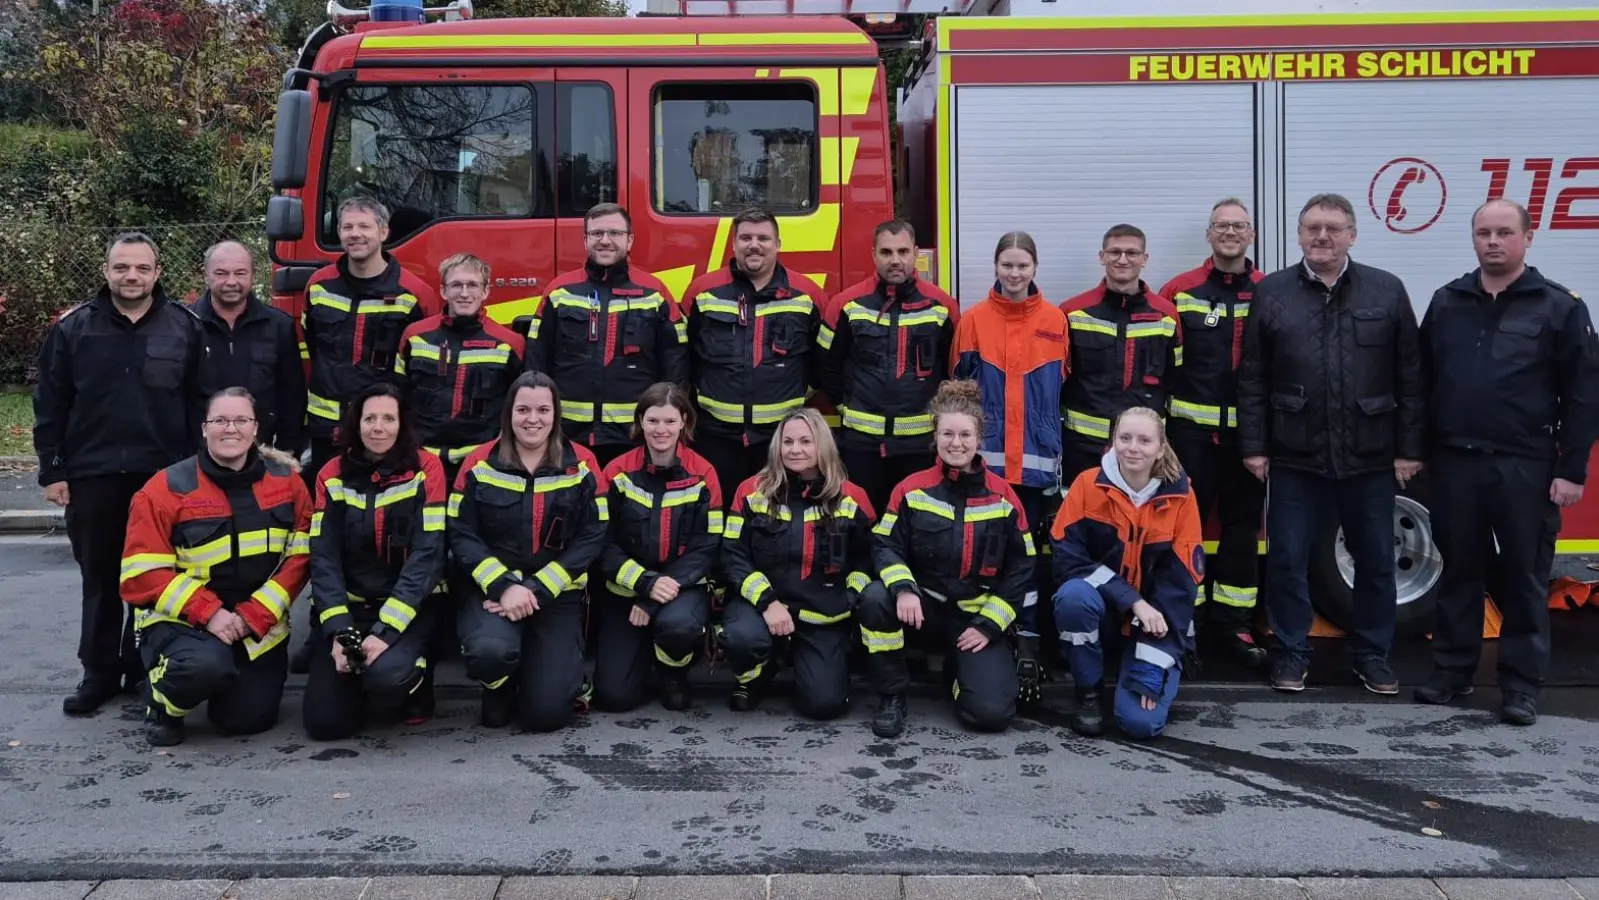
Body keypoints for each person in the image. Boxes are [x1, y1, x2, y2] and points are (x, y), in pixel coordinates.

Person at [1416, 198, 1599, 726]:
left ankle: (1520, 687)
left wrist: (1572, 470)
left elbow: (1585, 396)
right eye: (1483, 233)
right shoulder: (1448, 301)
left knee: (1525, 575)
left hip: (1527, 465)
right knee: (1459, 573)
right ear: (1472, 238)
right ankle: (1452, 673)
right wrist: (1417, 451)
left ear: (1527, 237)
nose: (1492, 242)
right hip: (1454, 463)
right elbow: (1423, 382)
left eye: (1503, 232)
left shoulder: (1560, 307)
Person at [1238, 192, 1425, 696]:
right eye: (1313, 228)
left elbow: (1410, 374)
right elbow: (1253, 376)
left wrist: (1408, 448)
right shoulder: (1273, 293)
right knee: (1287, 559)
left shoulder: (1386, 291)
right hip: (1294, 454)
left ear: (1352, 235)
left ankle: (1371, 655)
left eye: (1333, 228)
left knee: (1376, 560)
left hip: (1369, 454)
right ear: (1298, 235)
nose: (1322, 236)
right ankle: (1293, 653)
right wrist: (1254, 446)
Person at [34, 231, 207, 716]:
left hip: (163, 479)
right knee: (101, 578)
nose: (131, 276)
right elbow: (51, 403)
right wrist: (53, 471)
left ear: (158, 272)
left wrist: (198, 472)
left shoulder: (185, 328)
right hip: (93, 476)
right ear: (107, 271)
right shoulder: (74, 330)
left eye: (141, 268)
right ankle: (99, 672)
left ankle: (144, 666)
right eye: (122, 267)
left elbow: (200, 404)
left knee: (157, 579)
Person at [118, 388, 313, 746]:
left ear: (255, 429)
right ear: (204, 428)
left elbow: (299, 559)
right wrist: (209, 614)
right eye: (220, 420)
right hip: (183, 623)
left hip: (257, 626)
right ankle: (161, 701)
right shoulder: (165, 489)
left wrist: (254, 615)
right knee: (204, 667)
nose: (230, 429)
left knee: (247, 720)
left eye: (241, 420)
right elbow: (140, 575)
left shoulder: (288, 484)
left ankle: (219, 681)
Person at [858, 379, 1031, 738]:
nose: (956, 443)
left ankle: (959, 672)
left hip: (973, 616)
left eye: (965, 434)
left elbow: (1022, 566)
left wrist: (988, 625)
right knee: (875, 597)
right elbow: (885, 545)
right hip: (921, 607)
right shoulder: (910, 488)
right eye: (947, 434)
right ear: (935, 437)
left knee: (992, 715)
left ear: (980, 438)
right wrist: (904, 589)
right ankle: (892, 694)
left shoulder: (1004, 497)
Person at [448, 371, 609, 730]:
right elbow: (461, 532)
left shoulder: (582, 466)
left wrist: (533, 589)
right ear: (508, 414)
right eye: (522, 410)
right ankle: (499, 685)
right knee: (490, 653)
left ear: (556, 415)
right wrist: (504, 587)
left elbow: (592, 535)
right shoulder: (478, 463)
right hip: (493, 592)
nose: (532, 419)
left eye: (542, 410)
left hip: (555, 595)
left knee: (545, 716)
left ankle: (545, 675)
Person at [950, 232, 1069, 704]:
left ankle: (1032, 643)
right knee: (988, 558)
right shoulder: (973, 320)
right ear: (995, 266)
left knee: (1033, 563)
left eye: (1022, 265)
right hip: (988, 468)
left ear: (1035, 267)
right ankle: (985, 639)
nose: (1014, 273)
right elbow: (959, 394)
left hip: (1038, 471)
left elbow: (1063, 390)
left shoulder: (1056, 321)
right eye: (1007, 265)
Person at [1157, 200, 1268, 669]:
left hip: (1250, 439)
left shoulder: (1271, 290)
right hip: (1190, 437)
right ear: (1209, 235)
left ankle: (1235, 626)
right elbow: (1159, 365)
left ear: (1252, 235)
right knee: (1186, 529)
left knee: (1244, 531)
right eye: (1222, 226)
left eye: (1238, 226)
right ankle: (1188, 621)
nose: (1230, 233)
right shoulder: (1180, 292)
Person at [1049, 407, 1203, 739]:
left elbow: (1180, 587)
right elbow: (1068, 561)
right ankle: (1088, 691)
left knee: (1140, 724)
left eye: (1144, 440)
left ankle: (1143, 667)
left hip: (1155, 626)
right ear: (1113, 442)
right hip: (1108, 614)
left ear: (1161, 447)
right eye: (1125, 438)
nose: (1133, 447)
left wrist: (1152, 666)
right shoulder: (1087, 485)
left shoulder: (1181, 497)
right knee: (1073, 598)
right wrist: (1132, 601)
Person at [304, 383, 448, 740]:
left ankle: (415, 680)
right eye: (370, 418)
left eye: (388, 418)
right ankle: (357, 682)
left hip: (406, 609)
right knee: (325, 725)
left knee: (385, 677)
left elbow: (427, 555)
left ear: (403, 425)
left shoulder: (426, 469)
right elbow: (324, 558)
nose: (378, 427)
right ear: (356, 423)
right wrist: (339, 632)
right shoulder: (330, 473)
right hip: (351, 609)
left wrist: (384, 632)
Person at [719, 408, 876, 717]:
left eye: (806, 441)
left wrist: (849, 597)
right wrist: (766, 602)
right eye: (787, 441)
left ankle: (817, 661)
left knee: (824, 705)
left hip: (821, 613)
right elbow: (732, 555)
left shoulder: (852, 497)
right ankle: (758, 674)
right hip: (762, 607)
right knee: (742, 638)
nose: (795, 449)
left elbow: (868, 556)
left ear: (823, 446)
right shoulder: (751, 492)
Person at [524, 203, 688, 467]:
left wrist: (665, 424)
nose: (605, 241)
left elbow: (675, 365)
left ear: (630, 239)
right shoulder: (559, 292)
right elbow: (536, 360)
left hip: (633, 436)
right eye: (597, 233)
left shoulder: (654, 293)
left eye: (615, 233)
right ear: (585, 239)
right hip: (567, 434)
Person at [595, 383, 723, 712]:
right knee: (614, 698)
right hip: (625, 588)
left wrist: (654, 597)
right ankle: (640, 653)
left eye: (669, 421)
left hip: (682, 587)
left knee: (679, 627)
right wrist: (644, 583)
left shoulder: (703, 473)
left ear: (684, 421)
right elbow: (601, 541)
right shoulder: (616, 472)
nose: (660, 430)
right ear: (640, 422)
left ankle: (673, 671)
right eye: (652, 421)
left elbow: (706, 546)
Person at [681, 208, 827, 494]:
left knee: (778, 517)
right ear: (734, 244)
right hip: (716, 435)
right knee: (718, 513)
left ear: (778, 244)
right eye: (746, 237)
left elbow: (825, 361)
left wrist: (798, 395)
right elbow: (683, 357)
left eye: (763, 238)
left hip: (782, 436)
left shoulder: (808, 294)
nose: (754, 245)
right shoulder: (703, 292)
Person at [298, 196, 440, 488]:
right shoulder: (318, 285)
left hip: (383, 432)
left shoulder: (414, 295)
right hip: (329, 430)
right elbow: (311, 346)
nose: (355, 234)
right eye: (347, 227)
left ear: (383, 232)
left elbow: (423, 372)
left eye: (364, 226)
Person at [821, 219, 960, 513]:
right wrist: (846, 406)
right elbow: (825, 367)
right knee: (861, 522)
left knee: (918, 524)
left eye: (903, 251)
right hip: (861, 444)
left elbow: (953, 372)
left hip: (920, 446)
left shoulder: (942, 306)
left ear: (916, 253)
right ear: (873, 254)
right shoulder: (846, 305)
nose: (895, 260)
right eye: (886, 252)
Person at [1059, 224, 1182, 481]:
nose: (1122, 259)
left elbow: (1175, 380)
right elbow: (1060, 380)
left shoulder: (1166, 314)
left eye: (1131, 253)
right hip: (1083, 446)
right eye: (1114, 252)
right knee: (1083, 518)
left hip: (1143, 451)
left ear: (1144, 259)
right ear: (1102, 256)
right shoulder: (1074, 312)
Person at [397, 252, 526, 483]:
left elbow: (516, 407)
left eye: (472, 285)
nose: (464, 293)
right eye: (456, 285)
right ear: (443, 291)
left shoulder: (509, 343)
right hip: (419, 458)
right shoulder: (415, 336)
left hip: (482, 462)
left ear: (485, 291)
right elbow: (397, 395)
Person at [193, 240, 306, 456]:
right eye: (221, 273)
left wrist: (287, 451)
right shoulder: (186, 325)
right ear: (205, 275)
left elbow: (292, 396)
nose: (231, 282)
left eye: (240, 273)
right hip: (199, 454)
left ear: (253, 275)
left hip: (262, 452)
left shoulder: (278, 326)